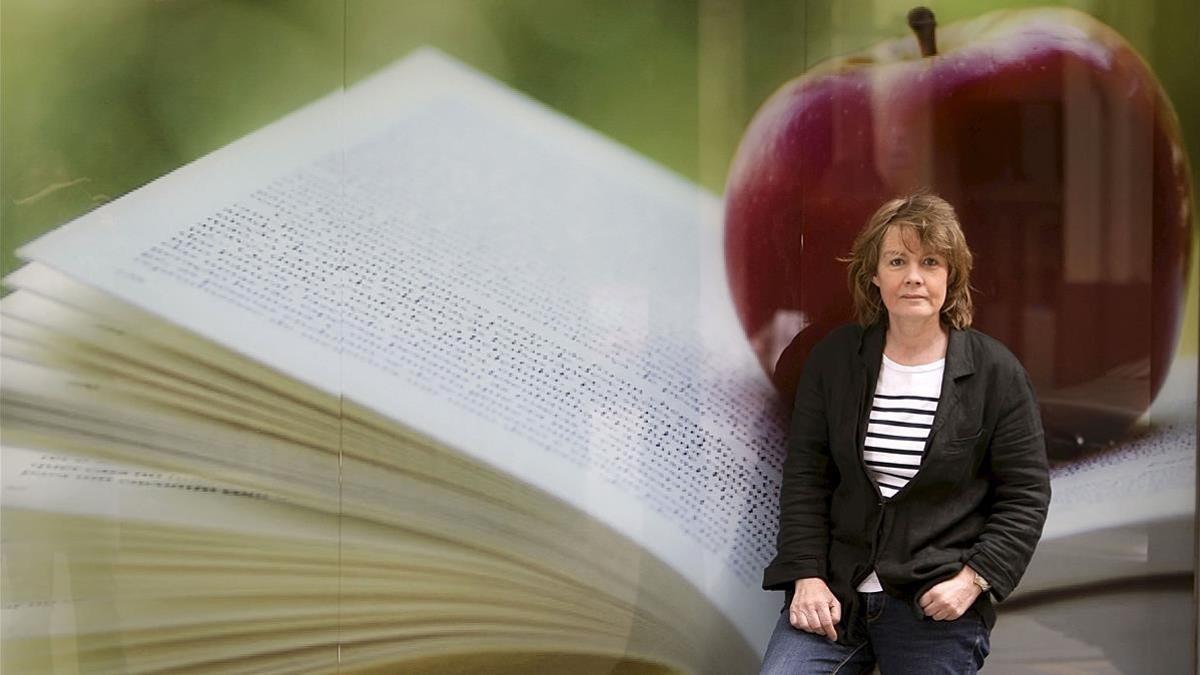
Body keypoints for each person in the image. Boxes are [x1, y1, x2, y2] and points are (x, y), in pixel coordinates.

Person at [759, 193, 1051, 674]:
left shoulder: (994, 372)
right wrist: (806, 576)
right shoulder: (835, 360)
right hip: (835, 598)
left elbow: (1026, 493)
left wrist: (973, 580)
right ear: (875, 275)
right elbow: (807, 478)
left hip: (934, 606)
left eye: (930, 262)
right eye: (897, 261)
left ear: (950, 275)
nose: (913, 276)